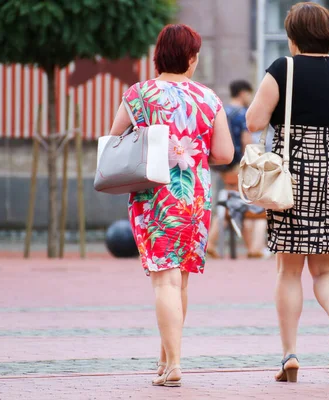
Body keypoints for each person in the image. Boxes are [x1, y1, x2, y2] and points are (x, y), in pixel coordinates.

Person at [108, 24, 233, 387]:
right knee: (179, 282)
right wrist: (191, 149)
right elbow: (224, 153)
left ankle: (174, 363)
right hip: (194, 196)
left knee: (163, 279)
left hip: (154, 197)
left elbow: (115, 138)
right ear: (191, 58)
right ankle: (165, 360)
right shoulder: (209, 98)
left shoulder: (139, 93)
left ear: (158, 55)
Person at [246, 2, 329, 382]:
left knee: (289, 268)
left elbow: (253, 121)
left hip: (294, 173)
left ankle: (290, 356)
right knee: (327, 267)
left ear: (293, 36)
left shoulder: (284, 68)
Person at [207, 80, 268, 258]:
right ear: (242, 93)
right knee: (245, 204)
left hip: (222, 165)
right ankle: (214, 242)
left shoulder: (222, 111)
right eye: (249, 93)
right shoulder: (242, 114)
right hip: (239, 166)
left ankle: (252, 248)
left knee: (233, 203)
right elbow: (247, 141)